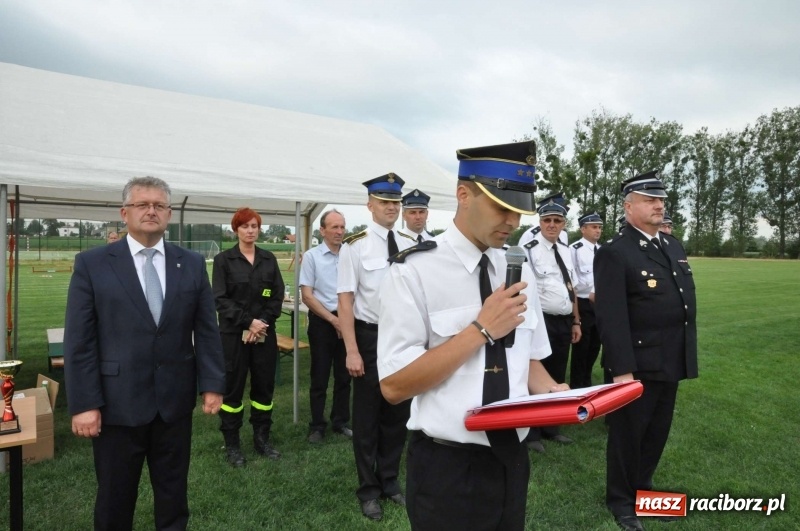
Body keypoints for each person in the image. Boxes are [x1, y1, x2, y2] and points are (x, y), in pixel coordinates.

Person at [378, 141, 568, 531]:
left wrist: (554, 394)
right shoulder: (413, 271)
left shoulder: (519, 268)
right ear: (464, 195)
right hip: (449, 467)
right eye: (502, 207)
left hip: (512, 459)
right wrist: (480, 330)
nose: (513, 222)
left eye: (519, 211)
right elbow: (395, 386)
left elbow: (528, 357)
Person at [64, 176, 225, 531]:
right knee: (115, 499)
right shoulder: (92, 264)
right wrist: (83, 403)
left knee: (172, 497)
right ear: (125, 213)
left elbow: (207, 331)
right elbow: (80, 341)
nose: (151, 211)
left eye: (159, 205)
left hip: (173, 405)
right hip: (116, 406)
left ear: (168, 214)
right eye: (142, 204)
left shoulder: (192, 263)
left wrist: (212, 383)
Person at [594, 171, 698, 531]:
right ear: (628, 207)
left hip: (670, 356)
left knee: (656, 431)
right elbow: (611, 316)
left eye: (661, 200)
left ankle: (643, 491)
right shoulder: (615, 252)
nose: (659, 205)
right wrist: (622, 370)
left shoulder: (671, 245)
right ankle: (622, 502)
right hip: (636, 363)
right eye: (650, 200)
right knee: (628, 435)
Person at [337, 173, 416, 521]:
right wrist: (352, 350)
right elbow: (345, 300)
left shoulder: (410, 241)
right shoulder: (355, 245)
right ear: (370, 205)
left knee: (397, 414)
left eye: (395, 202)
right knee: (367, 419)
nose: (391, 208)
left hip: (402, 338)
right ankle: (368, 491)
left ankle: (390, 482)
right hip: (369, 338)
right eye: (384, 202)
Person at [212, 207, 284, 466]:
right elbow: (220, 299)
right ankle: (232, 445)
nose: (250, 230)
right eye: (245, 226)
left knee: (264, 388)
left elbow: (276, 296)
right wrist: (248, 322)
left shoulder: (268, 259)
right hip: (233, 336)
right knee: (232, 391)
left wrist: (261, 323)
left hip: (264, 334)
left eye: (254, 226)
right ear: (236, 229)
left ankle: (262, 439)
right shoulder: (223, 261)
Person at [518, 192, 581, 453]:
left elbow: (572, 288)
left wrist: (576, 320)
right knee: (534, 375)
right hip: (540, 320)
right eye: (548, 220)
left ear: (564, 224)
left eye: (557, 220)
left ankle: (552, 428)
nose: (552, 225)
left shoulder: (566, 252)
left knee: (557, 374)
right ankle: (532, 433)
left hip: (564, 321)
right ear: (540, 223)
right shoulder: (529, 251)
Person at [300, 209, 353, 443]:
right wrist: (334, 320)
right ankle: (317, 426)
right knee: (319, 376)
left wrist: (346, 321)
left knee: (344, 376)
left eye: (342, 227)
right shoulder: (312, 257)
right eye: (334, 227)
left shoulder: (351, 255)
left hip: (348, 321)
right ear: (322, 230)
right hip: (323, 322)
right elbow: (307, 296)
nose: (339, 232)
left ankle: (340, 421)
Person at [569, 212, 604, 389]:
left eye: (599, 227)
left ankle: (587, 378)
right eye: (594, 227)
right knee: (582, 347)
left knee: (595, 345)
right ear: (583, 229)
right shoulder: (574, 250)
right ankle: (577, 383)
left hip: (599, 305)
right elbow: (571, 279)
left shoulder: (602, 249)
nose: (598, 230)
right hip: (582, 303)